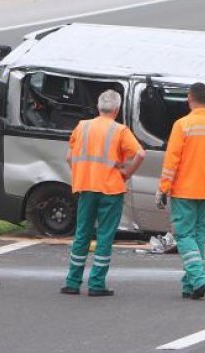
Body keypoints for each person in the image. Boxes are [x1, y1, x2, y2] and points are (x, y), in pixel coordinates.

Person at [60, 90, 145, 297]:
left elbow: (69, 158)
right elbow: (140, 153)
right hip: (110, 189)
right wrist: (126, 173)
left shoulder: (82, 127)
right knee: (104, 236)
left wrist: (82, 172)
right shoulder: (120, 130)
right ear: (117, 109)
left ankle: (72, 282)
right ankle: (97, 283)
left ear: (99, 107)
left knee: (82, 234)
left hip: (85, 185)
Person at [156, 83, 205, 300]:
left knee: (184, 235)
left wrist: (163, 188)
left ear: (189, 98)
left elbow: (172, 161)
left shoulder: (182, 125)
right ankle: (189, 285)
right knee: (199, 236)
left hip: (184, 189)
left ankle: (198, 278)